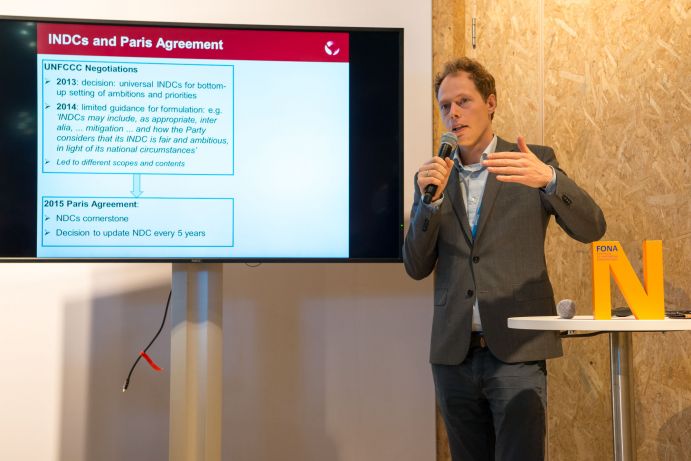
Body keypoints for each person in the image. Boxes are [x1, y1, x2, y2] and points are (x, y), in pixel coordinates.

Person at [403, 57, 606, 460]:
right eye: (445, 105)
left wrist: (550, 180)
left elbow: (592, 227)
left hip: (517, 352)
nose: (454, 113)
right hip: (453, 355)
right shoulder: (433, 177)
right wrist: (430, 205)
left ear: (491, 102)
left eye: (464, 100)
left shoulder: (530, 162)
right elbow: (415, 265)